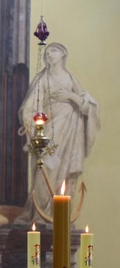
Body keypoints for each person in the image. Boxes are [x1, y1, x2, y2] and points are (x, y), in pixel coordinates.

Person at [17, 42, 100, 224]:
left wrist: (71, 97)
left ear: (63, 54)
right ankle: (40, 214)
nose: (49, 55)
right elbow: (30, 107)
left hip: (70, 132)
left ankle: (59, 213)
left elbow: (88, 106)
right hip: (48, 131)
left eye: (53, 51)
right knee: (43, 168)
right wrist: (32, 126)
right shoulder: (42, 79)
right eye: (46, 52)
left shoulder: (70, 79)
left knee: (65, 173)